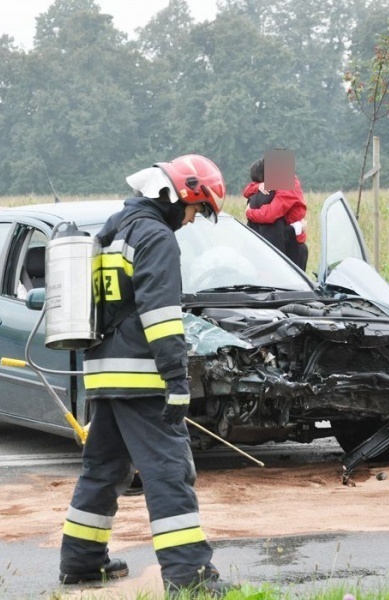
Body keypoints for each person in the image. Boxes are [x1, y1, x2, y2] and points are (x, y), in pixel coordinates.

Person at [58, 154, 234, 597]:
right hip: (142, 377)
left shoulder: (111, 230)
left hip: (102, 374)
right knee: (169, 472)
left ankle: (81, 562)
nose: (193, 220)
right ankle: (190, 577)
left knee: (102, 470)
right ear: (178, 196)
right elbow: (161, 316)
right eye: (197, 210)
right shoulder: (155, 236)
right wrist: (177, 380)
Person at [243, 157, 308, 271]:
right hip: (289, 242)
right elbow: (269, 215)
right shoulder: (268, 190)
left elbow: (269, 214)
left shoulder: (282, 186)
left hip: (287, 243)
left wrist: (249, 212)